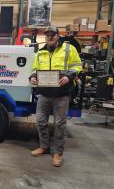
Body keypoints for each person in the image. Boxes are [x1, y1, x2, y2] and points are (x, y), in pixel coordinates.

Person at [29, 25, 82, 167]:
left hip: (62, 94)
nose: (50, 37)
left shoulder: (68, 49)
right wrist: (32, 77)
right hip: (44, 94)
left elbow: (77, 65)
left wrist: (69, 76)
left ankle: (58, 153)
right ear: (45, 37)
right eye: (47, 35)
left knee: (59, 124)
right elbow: (35, 69)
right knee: (40, 121)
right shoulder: (40, 53)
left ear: (58, 36)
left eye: (53, 35)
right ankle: (44, 146)